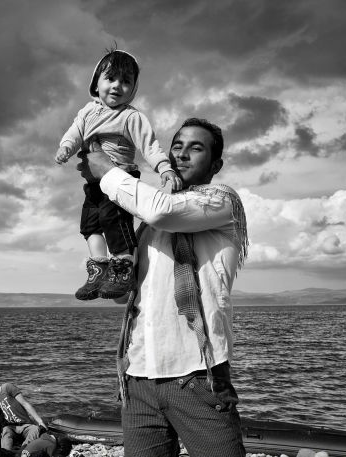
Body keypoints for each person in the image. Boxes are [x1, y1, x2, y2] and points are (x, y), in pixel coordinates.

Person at [81, 118, 249, 457]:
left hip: (197, 375)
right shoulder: (148, 227)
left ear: (216, 165)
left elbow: (161, 210)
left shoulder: (220, 200)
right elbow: (125, 298)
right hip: (138, 378)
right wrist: (108, 264)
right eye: (177, 146)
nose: (181, 155)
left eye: (195, 148)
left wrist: (107, 172)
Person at [54, 48, 182, 301]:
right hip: (93, 184)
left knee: (115, 223)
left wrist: (164, 167)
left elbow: (149, 145)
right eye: (110, 78)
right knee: (89, 226)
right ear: (96, 83)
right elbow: (75, 131)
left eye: (125, 81)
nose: (116, 86)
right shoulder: (87, 111)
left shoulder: (130, 117)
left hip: (120, 180)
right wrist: (66, 147)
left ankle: (123, 268)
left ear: (133, 89)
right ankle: (99, 269)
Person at [0, 378, 48, 452]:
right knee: (5, 431)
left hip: (25, 424)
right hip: (12, 427)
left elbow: (25, 403)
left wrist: (40, 421)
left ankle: (24, 451)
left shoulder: (7, 388)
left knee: (35, 429)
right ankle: (6, 453)